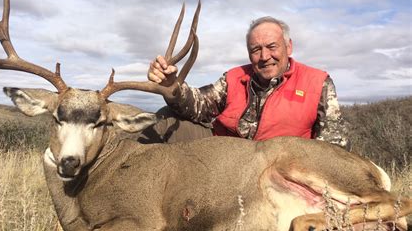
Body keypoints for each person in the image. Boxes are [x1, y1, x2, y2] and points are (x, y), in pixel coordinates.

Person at [143, 16, 349, 148]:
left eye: (272, 46)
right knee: (165, 119)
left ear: (289, 47)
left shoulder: (317, 83)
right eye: (256, 50)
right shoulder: (234, 77)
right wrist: (173, 86)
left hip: (277, 169)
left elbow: (334, 148)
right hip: (222, 155)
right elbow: (199, 105)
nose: (265, 56)